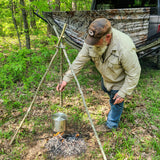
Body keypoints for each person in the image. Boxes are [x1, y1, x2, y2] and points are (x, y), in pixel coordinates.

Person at [56, 18, 141, 130]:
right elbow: (79, 60)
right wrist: (66, 79)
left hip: (119, 80)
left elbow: (134, 72)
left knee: (116, 101)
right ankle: (112, 105)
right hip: (106, 77)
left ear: (108, 37)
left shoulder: (125, 47)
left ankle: (111, 125)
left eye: (96, 43)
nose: (92, 45)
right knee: (108, 92)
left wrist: (123, 92)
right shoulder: (92, 40)